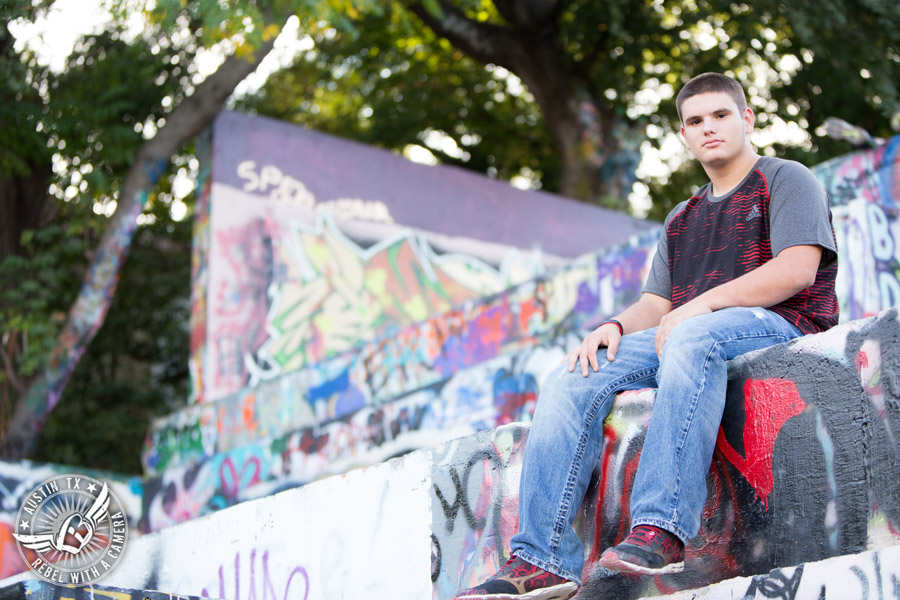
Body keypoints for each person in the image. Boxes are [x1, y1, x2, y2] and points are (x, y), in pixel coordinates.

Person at [453, 72, 839, 600]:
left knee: (693, 334)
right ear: (684, 135)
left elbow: (797, 269)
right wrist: (611, 328)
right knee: (572, 375)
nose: (709, 128)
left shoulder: (786, 179)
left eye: (721, 115)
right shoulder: (683, 216)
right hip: (689, 335)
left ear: (746, 119)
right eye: (695, 121)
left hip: (781, 322)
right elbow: (658, 306)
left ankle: (661, 527)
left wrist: (698, 307)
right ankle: (541, 560)